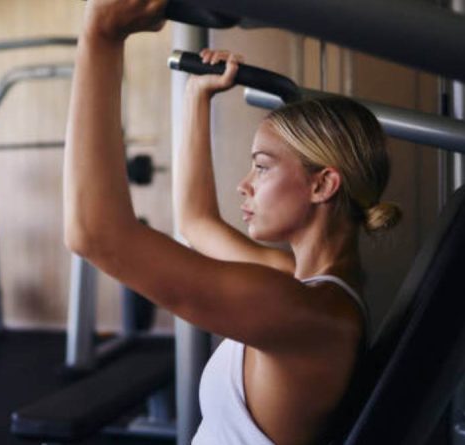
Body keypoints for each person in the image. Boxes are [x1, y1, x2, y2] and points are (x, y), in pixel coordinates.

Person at [63, 1, 402, 444]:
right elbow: (196, 222)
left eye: (261, 167)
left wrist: (101, 38)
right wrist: (196, 97)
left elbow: (94, 234)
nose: (244, 185)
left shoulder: (302, 313)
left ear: (322, 186)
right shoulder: (301, 286)